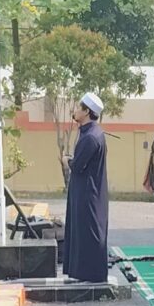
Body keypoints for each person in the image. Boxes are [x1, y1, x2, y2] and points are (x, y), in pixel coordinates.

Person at [62, 93, 110, 283]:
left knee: (88, 231)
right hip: (85, 191)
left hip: (89, 193)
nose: (75, 111)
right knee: (80, 230)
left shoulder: (91, 137)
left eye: (78, 108)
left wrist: (67, 161)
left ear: (87, 112)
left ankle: (90, 274)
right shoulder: (90, 133)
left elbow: (78, 165)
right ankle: (80, 272)